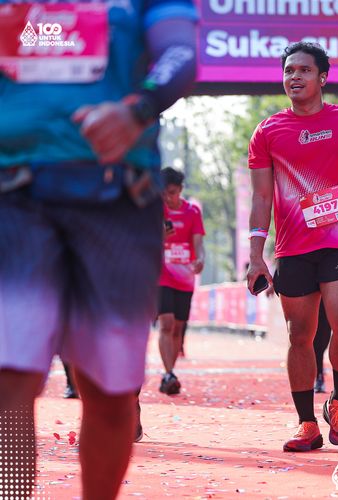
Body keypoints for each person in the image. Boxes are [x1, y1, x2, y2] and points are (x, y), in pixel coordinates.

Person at [0, 0, 198, 497]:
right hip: (11, 198)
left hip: (118, 201)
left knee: (110, 392)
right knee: (8, 380)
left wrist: (136, 110)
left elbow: (180, 54)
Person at [246, 42, 338, 452]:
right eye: (289, 71)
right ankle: (306, 423)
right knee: (299, 336)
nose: (295, 77)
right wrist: (256, 256)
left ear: (322, 77)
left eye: (304, 70)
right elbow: (261, 198)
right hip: (293, 249)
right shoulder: (268, 132)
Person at [156, 167, 205, 395]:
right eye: (164, 193)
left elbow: (198, 244)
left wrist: (200, 259)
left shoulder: (192, 212)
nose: (168, 198)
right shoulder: (156, 212)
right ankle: (168, 373)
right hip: (161, 275)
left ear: (180, 190)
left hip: (185, 277)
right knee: (166, 323)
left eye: (172, 193)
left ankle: (170, 371)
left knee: (177, 327)